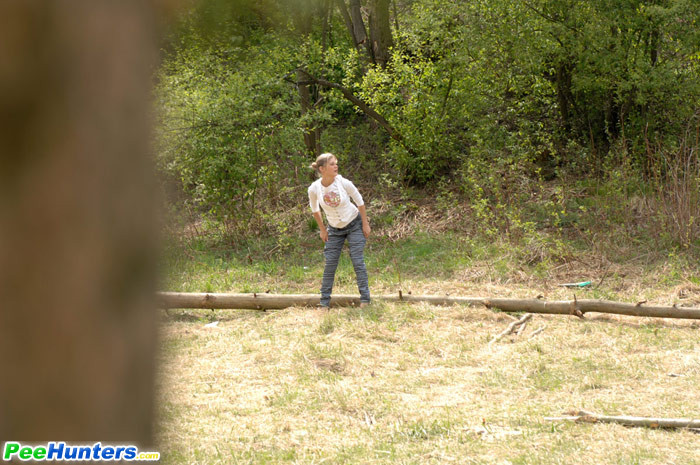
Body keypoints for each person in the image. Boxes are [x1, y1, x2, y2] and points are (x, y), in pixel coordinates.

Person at [308, 153, 371, 308]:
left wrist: (365, 224)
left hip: (354, 224)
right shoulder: (314, 188)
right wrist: (323, 230)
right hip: (334, 229)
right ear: (322, 169)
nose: (336, 166)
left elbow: (360, 202)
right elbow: (315, 210)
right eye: (332, 164)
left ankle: (365, 300)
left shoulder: (343, 182)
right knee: (330, 263)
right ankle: (324, 304)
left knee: (357, 260)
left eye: (336, 163)